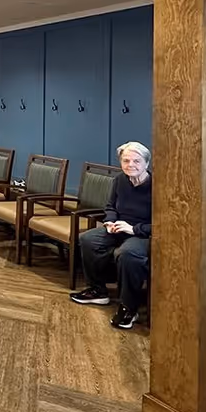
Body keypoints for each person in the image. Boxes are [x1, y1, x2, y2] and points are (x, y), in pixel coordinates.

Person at [69, 141, 151, 329]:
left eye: (137, 161)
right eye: (126, 160)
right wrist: (110, 221)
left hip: (143, 234)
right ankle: (98, 291)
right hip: (118, 228)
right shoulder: (120, 180)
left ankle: (129, 307)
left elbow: (164, 224)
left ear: (146, 164)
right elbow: (110, 206)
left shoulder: (156, 187)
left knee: (127, 254)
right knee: (88, 239)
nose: (131, 165)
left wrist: (134, 229)